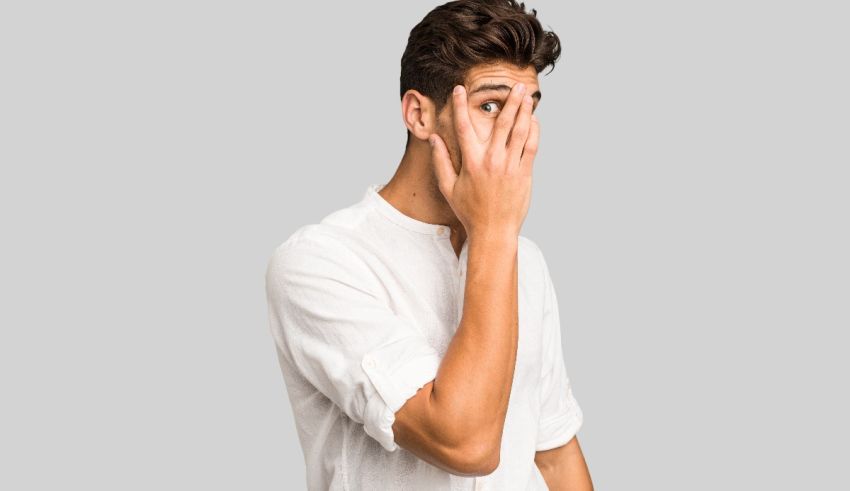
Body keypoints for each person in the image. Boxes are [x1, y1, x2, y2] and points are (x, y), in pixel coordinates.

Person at [265, 1, 593, 489]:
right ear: (419, 114)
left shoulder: (526, 262)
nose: (517, 134)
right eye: (491, 106)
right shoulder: (320, 262)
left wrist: (497, 239)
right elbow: (465, 443)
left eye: (528, 109)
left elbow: (554, 453)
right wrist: (494, 232)